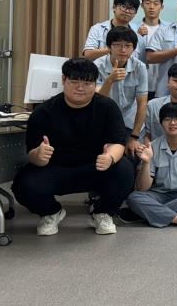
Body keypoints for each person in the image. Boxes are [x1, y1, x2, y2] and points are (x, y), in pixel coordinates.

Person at [12, 58, 134, 236]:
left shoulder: (107, 107)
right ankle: (51, 212)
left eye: (87, 83)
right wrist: (39, 155)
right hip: (56, 170)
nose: (80, 88)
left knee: (125, 169)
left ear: (95, 84)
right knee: (23, 184)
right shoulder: (44, 112)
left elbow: (118, 143)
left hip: (95, 168)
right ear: (63, 80)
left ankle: (102, 212)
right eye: (74, 81)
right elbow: (31, 153)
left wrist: (110, 157)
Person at [124, 102, 177, 229]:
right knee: (134, 197)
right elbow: (142, 188)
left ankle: (144, 214)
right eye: (167, 119)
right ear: (161, 123)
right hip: (159, 194)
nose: (172, 123)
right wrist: (146, 162)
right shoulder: (152, 146)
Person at [94, 26, 148, 157]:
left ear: (134, 48)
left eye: (128, 46)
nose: (123, 50)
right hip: (104, 121)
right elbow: (97, 101)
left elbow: (142, 105)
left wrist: (134, 137)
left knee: (133, 156)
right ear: (109, 47)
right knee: (103, 156)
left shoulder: (139, 67)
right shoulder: (97, 65)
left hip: (130, 123)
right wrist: (110, 80)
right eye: (117, 45)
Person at [82, 0, 148, 61]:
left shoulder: (137, 32)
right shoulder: (98, 29)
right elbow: (88, 54)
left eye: (131, 9)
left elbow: (141, 61)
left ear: (135, 13)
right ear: (114, 7)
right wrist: (114, 49)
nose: (127, 11)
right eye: (123, 6)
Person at [140, 0, 166, 100]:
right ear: (142, 5)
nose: (151, 7)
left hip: (163, 83)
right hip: (139, 82)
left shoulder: (170, 29)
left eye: (156, 4)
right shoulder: (133, 28)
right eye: (148, 3)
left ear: (162, 7)